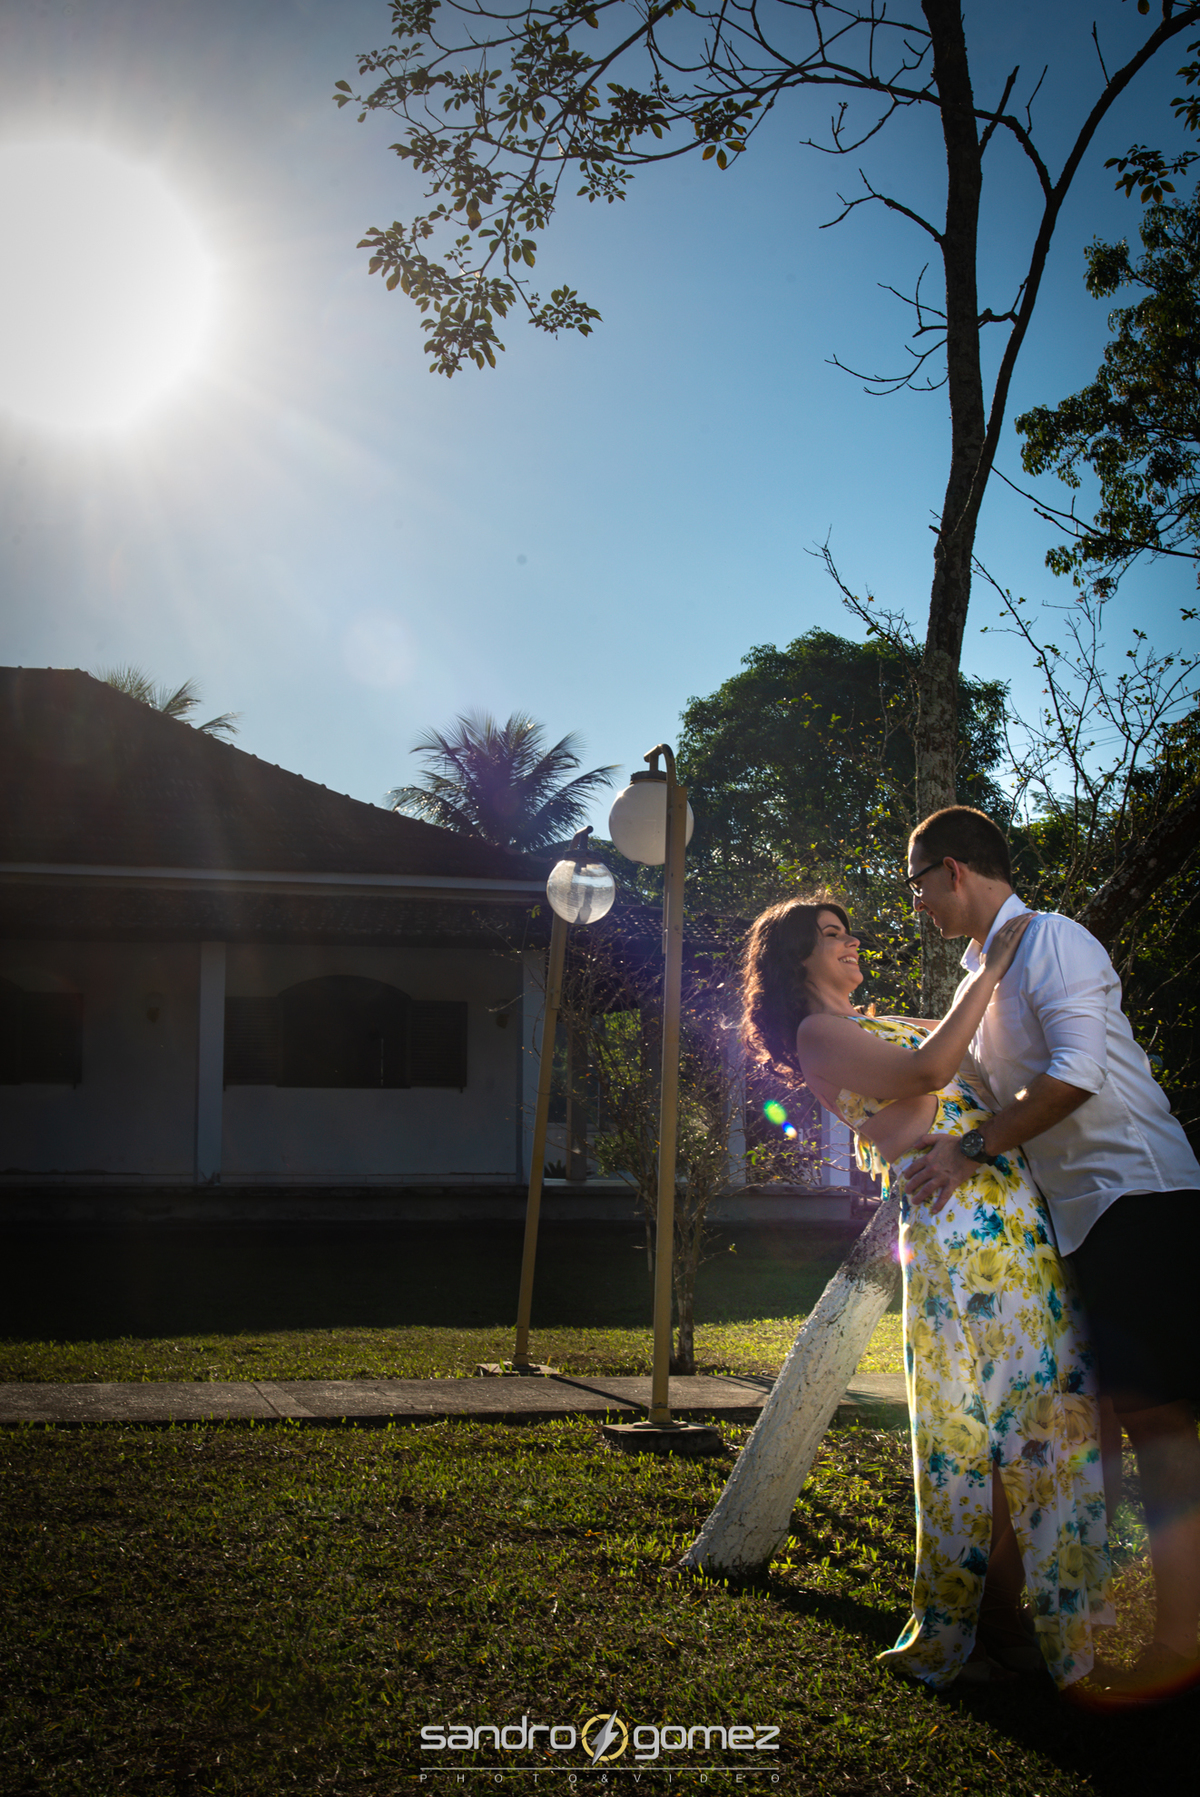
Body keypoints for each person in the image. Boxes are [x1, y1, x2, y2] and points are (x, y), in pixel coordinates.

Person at [742, 896, 1112, 1691]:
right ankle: (977, 1628)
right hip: (961, 1222)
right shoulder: (818, 1033)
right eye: (832, 935)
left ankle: (1023, 1613)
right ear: (795, 958)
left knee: (1050, 1405)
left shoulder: (884, 1015)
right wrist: (990, 966)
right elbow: (927, 1074)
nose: (851, 942)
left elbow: (962, 1076)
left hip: (1008, 1200)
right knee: (983, 1422)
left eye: (849, 930)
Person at [903, 805, 1200, 1704]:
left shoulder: (1056, 940)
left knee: (1158, 1425)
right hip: (1074, 1222)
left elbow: (1079, 1072)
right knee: (1092, 1426)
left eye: (916, 883)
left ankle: (1181, 1638)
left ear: (953, 870)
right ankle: (1057, 1621)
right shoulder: (981, 969)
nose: (913, 903)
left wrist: (973, 1148)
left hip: (1138, 1198)